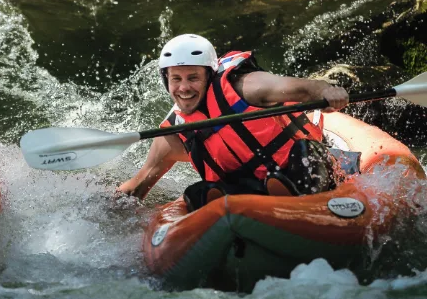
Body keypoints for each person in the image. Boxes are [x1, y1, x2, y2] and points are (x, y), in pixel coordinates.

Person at [118, 34, 352, 211]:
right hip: (252, 196)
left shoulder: (246, 87)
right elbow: (137, 186)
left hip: (305, 174)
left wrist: (326, 92)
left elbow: (302, 87)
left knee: (304, 155)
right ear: (165, 81)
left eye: (193, 78)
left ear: (209, 75)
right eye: (176, 79)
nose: (184, 88)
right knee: (198, 193)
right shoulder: (177, 132)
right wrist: (99, 205)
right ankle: (238, 208)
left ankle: (288, 195)